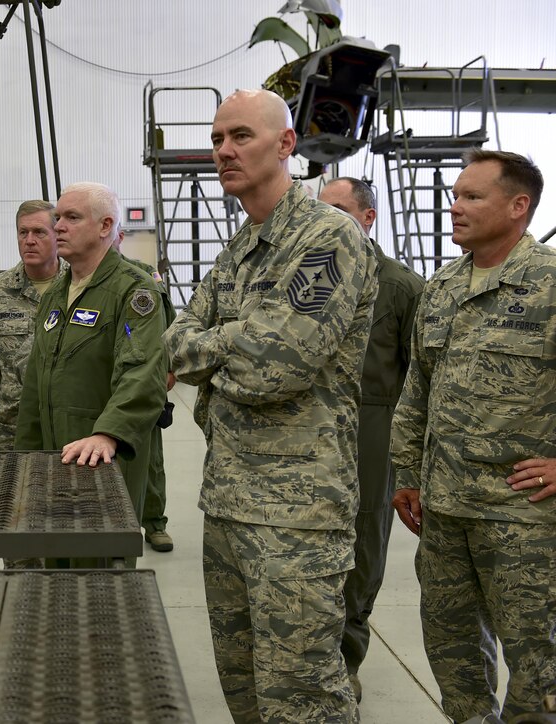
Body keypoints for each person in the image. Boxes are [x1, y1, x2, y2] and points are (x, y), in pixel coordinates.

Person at [163, 89, 377, 721]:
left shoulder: (326, 236)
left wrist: (216, 349)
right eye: (217, 139)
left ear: (286, 144)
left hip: (298, 513)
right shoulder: (239, 247)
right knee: (245, 688)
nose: (224, 151)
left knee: (302, 694)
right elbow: (173, 342)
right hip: (229, 499)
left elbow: (275, 367)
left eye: (241, 136)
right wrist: (233, 341)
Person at [390, 149, 556, 722]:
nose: (454, 207)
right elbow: (417, 392)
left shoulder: (551, 285)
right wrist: (408, 475)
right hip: (444, 511)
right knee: (452, 650)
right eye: (454, 195)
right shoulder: (442, 288)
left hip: (524, 516)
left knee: (539, 660)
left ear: (518, 206)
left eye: (471, 197)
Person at [14, 182, 168, 569]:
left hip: (104, 460)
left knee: (99, 572)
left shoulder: (134, 291)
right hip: (53, 456)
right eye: (58, 217)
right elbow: (37, 382)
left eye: (71, 217)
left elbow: (144, 372)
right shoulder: (54, 295)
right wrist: (26, 457)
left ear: (105, 227)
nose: (58, 226)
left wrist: (108, 433)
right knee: (55, 563)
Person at [318, 177, 424, 699]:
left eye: (336, 210)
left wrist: (411, 462)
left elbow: (421, 377)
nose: (323, 220)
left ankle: (345, 658)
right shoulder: (308, 276)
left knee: (362, 546)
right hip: (311, 431)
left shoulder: (401, 286)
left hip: (372, 429)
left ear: (367, 217)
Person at [0, 200, 65, 449]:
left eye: (39, 232)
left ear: (57, 235)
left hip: (67, 425)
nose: (29, 240)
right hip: (8, 427)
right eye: (23, 232)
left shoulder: (77, 285)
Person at [112, 229, 178, 554]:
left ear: (117, 235)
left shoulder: (141, 275)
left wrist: (171, 367)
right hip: (104, 382)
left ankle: (154, 523)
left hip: (143, 380)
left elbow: (169, 323)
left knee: (150, 457)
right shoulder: (74, 280)